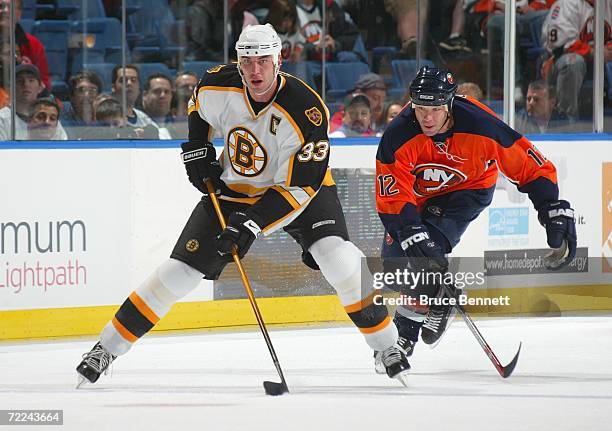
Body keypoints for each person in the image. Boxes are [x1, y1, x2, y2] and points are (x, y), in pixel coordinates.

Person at [76, 24, 410, 388]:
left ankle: (386, 345)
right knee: (178, 273)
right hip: (234, 190)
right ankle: (107, 347)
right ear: (238, 60)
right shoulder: (217, 83)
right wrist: (198, 148)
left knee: (338, 257)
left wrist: (251, 224)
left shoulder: (307, 109)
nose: (254, 71)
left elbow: (301, 187)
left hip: (298, 191)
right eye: (247, 61)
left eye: (263, 61)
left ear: (279, 60)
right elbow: (197, 106)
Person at [374, 66, 576, 372]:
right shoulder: (398, 134)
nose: (426, 118)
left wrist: (552, 206)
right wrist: (410, 231)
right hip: (420, 196)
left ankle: (405, 335)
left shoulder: (481, 125)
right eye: (420, 109)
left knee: (425, 256)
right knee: (397, 263)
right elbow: (391, 194)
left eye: (435, 109)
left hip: (466, 192)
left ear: (450, 103)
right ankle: (439, 296)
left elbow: (530, 165)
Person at [541, 0, 612, 122]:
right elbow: (561, 45)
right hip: (561, 58)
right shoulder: (566, 4)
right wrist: (595, 53)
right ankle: (565, 117)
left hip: (600, 62)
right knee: (573, 62)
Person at [0, 64, 67, 140]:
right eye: (19, 81)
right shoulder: (2, 118)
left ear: (40, 87)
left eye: (31, 80)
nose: (26, 84)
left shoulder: (50, 118)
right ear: (11, 88)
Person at [0, 0, 51, 90]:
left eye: (11, 7)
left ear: (19, 14)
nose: (5, 10)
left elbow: (45, 85)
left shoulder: (33, 44)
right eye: (1, 6)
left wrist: (30, 72)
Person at [110, 65, 159, 139]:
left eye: (133, 80)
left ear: (139, 88)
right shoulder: (108, 115)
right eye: (123, 80)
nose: (129, 83)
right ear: (113, 88)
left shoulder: (144, 118)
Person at [61, 70, 103, 139]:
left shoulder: (106, 120)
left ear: (99, 95)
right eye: (81, 90)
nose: (86, 95)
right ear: (72, 96)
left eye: (92, 90)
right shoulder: (62, 123)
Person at [141, 73, 174, 139]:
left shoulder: (178, 125)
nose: (162, 95)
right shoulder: (137, 124)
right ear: (145, 95)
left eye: (166, 92)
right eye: (157, 91)